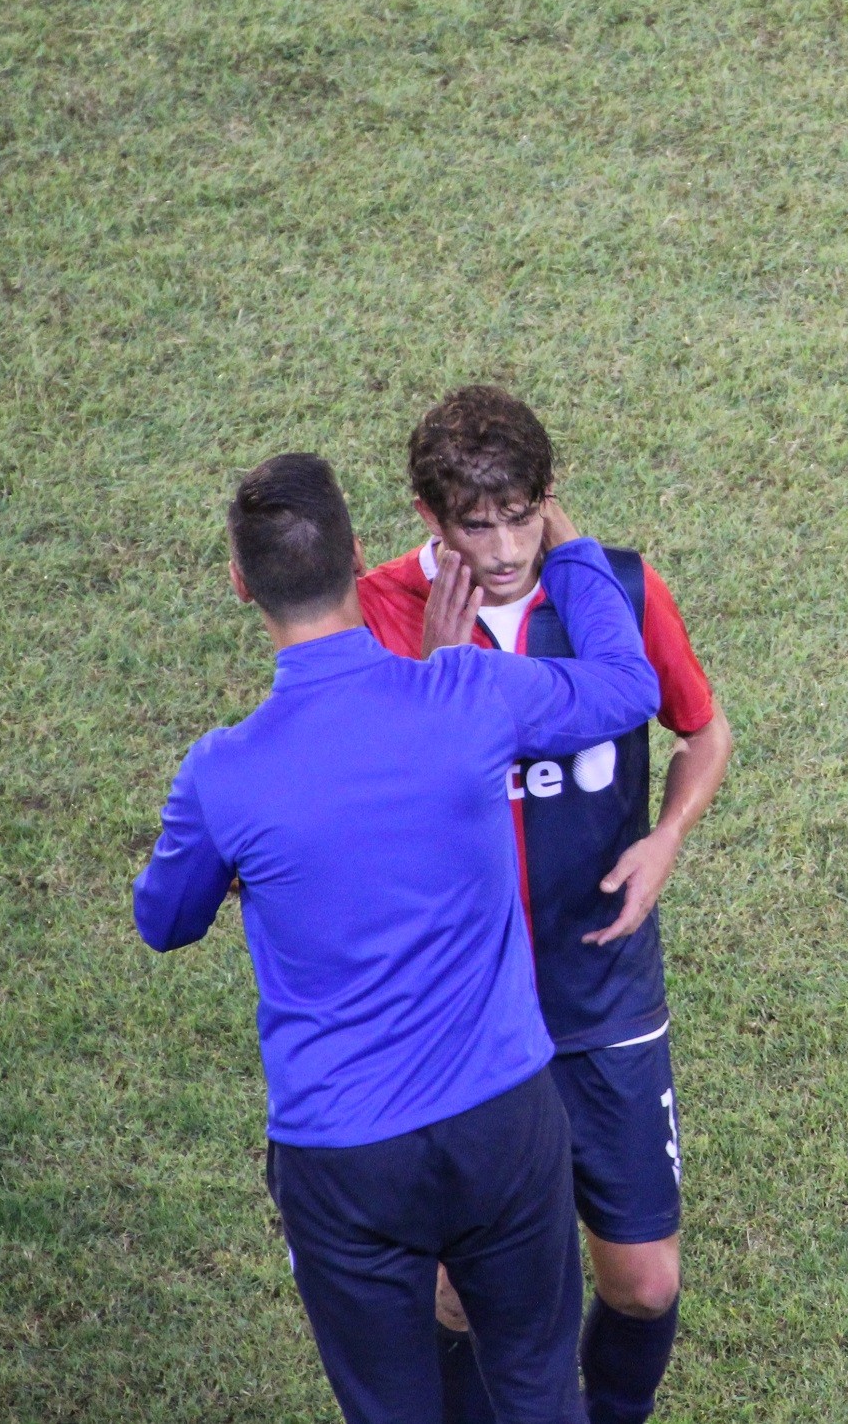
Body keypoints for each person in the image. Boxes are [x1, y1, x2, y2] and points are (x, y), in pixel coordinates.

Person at [133, 453, 661, 1424]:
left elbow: (163, 921)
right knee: (541, 1396)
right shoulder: (469, 696)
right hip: (503, 1124)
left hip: (344, 1158)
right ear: (358, 555)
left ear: (241, 583)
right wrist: (570, 543)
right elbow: (628, 687)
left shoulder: (221, 774)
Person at [355, 387, 732, 1424]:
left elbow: (704, 731)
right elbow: (360, 794)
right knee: (459, 1293)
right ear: (429, 516)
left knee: (643, 1283)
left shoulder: (615, 591)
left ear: (548, 497)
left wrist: (665, 838)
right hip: (461, 1012)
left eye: (521, 517)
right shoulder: (377, 613)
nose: (505, 548)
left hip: (600, 989)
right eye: (476, 525)